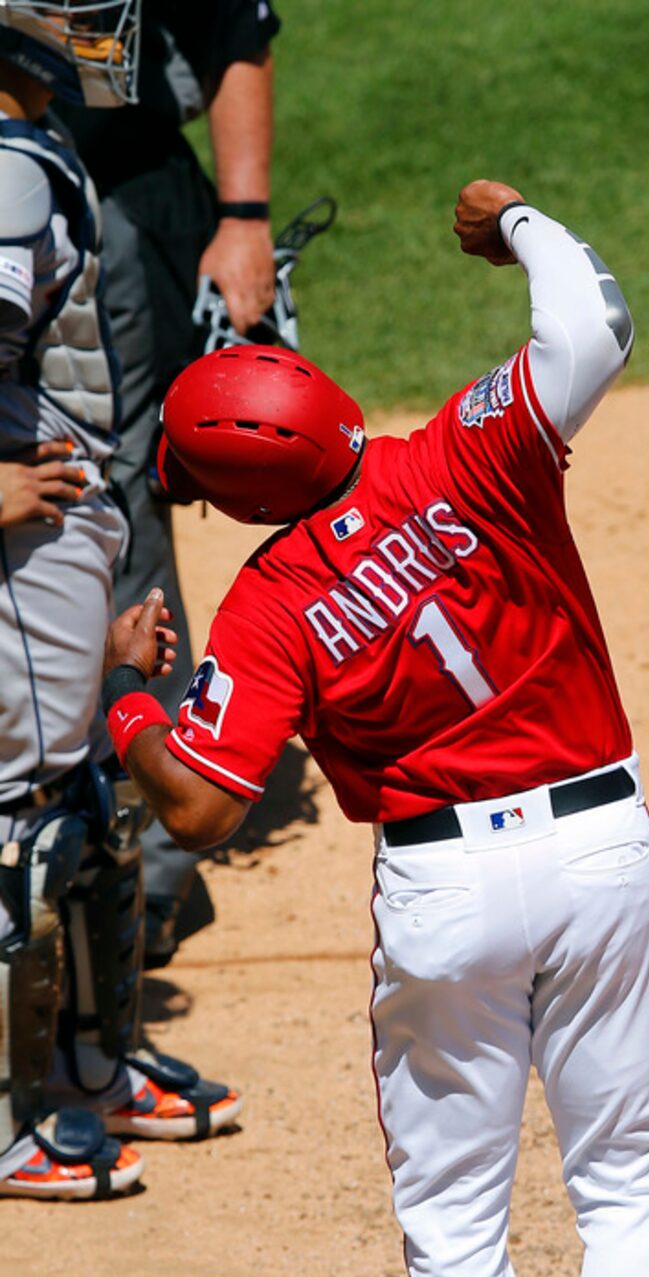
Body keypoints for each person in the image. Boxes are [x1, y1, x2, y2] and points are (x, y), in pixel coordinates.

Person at [101, 181, 649, 1277]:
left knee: (454, 1228)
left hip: (444, 889)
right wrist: (521, 221)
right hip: (601, 842)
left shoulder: (267, 601)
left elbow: (203, 807)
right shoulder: (467, 448)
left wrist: (128, 704)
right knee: (627, 1195)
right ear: (328, 401)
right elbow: (595, 325)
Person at [0, 0, 240, 1203]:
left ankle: (94, 1068)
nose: (82, 19)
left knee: (90, 808)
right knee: (27, 821)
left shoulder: (39, 153)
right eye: (49, 7)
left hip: (73, 512)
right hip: (24, 520)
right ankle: (9, 1118)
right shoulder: (5, 173)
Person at [58, 0, 281, 966]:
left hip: (117, 210)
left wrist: (243, 218)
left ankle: (141, 863)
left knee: (110, 509)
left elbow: (235, 25)